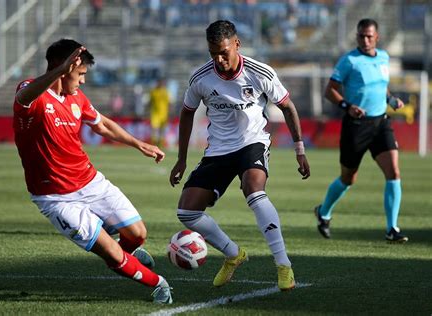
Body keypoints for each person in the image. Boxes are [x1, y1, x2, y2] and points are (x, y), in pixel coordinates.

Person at [12, 39, 173, 304]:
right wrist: (60, 70)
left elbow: (103, 125)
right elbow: (24, 98)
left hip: (91, 182)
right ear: (62, 69)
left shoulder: (76, 97)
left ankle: (124, 259)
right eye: (80, 73)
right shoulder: (32, 92)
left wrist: (138, 143)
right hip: (57, 198)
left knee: (138, 234)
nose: (83, 81)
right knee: (111, 252)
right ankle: (159, 285)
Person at [169, 20, 310, 290]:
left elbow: (288, 107)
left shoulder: (260, 73)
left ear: (237, 44)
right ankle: (233, 254)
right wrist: (182, 158)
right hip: (219, 150)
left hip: (252, 143)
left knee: (254, 191)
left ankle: (283, 265)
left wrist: (299, 150)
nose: (219, 59)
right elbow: (187, 112)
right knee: (186, 211)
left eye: (223, 52)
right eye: (213, 54)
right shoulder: (200, 78)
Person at [315, 18, 408, 243]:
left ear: (377, 37)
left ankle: (391, 228)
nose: (365, 40)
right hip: (356, 126)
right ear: (357, 37)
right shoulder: (349, 61)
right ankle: (324, 212)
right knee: (348, 179)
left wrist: (391, 99)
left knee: (394, 172)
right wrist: (348, 106)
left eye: (369, 36)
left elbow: (381, 85)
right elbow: (330, 91)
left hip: (381, 123)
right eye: (361, 36)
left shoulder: (384, 57)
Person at [149, 79, 170, 147]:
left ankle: (160, 143)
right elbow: (150, 102)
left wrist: (170, 112)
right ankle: (154, 142)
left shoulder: (166, 92)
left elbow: (169, 102)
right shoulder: (153, 91)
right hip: (155, 113)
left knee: (162, 130)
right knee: (154, 128)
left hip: (164, 114)